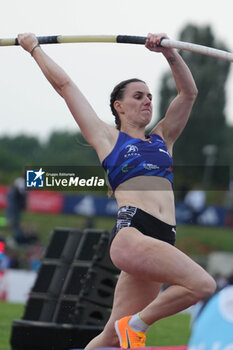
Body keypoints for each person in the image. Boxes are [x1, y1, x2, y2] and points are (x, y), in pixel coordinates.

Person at [18, 32, 216, 349]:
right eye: (138, 96)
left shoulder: (162, 138)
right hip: (134, 232)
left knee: (111, 336)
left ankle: (128, 328)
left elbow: (188, 94)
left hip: (163, 237)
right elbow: (65, 87)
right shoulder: (108, 139)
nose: (147, 101)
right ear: (119, 106)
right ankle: (135, 326)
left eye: (150, 97)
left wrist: (169, 53)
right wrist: (34, 49)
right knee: (202, 284)